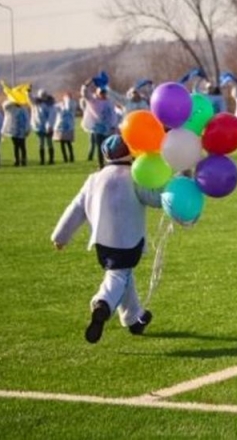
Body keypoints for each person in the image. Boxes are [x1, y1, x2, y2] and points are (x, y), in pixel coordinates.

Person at [51, 134, 162, 344]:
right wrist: (168, 190)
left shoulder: (94, 179)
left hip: (102, 240)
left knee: (122, 274)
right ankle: (102, 303)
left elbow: (76, 208)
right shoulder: (135, 176)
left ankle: (133, 318)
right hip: (129, 240)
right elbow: (154, 199)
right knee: (119, 277)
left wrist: (61, 236)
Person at [80, 79, 118, 169]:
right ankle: (101, 165)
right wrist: (87, 84)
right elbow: (84, 93)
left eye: (104, 93)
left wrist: (113, 125)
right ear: (97, 93)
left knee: (109, 147)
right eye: (101, 93)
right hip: (97, 128)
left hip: (108, 128)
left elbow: (112, 114)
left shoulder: (109, 102)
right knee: (100, 147)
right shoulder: (93, 101)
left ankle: (110, 163)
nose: (103, 94)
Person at [29, 88, 57, 165]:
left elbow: (51, 116)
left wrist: (49, 126)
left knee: (49, 143)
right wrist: (28, 92)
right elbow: (30, 99)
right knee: (41, 143)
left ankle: (51, 160)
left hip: (48, 127)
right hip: (39, 126)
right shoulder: (36, 103)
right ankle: (42, 160)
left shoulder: (50, 105)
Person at [2, 99, 30, 166]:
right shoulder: (11, 108)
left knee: (22, 146)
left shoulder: (24, 109)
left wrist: (27, 129)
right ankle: (16, 160)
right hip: (14, 130)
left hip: (22, 131)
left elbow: (27, 120)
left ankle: (23, 160)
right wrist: (12, 101)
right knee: (16, 146)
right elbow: (4, 105)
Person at [53, 92, 78, 163]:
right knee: (62, 143)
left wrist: (68, 99)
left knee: (68, 143)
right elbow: (53, 108)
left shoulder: (73, 104)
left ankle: (71, 157)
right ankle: (65, 158)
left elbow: (68, 107)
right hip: (60, 127)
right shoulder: (60, 105)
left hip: (69, 127)